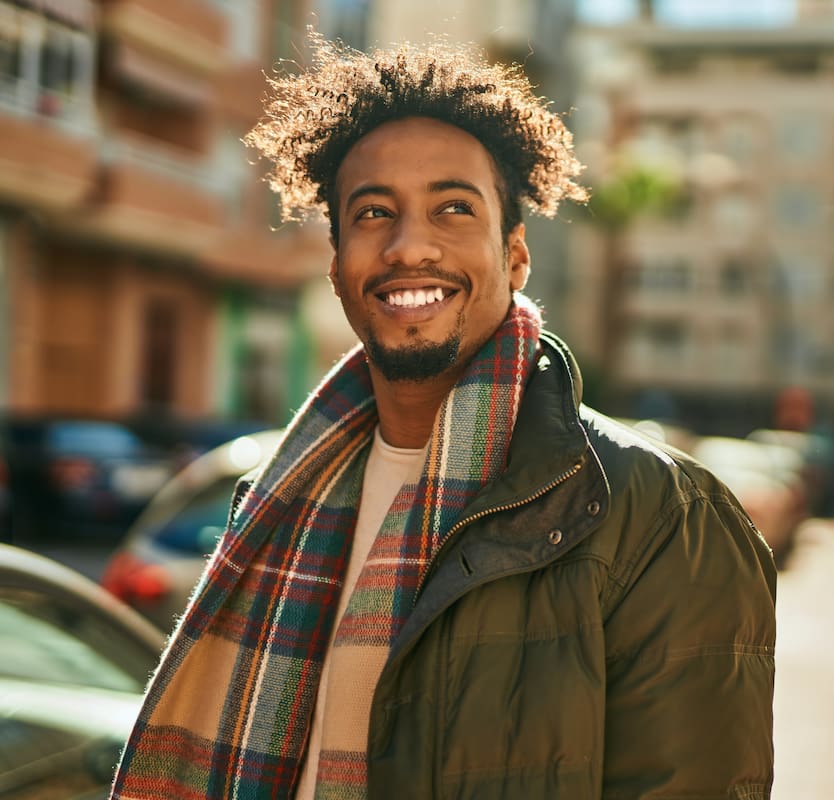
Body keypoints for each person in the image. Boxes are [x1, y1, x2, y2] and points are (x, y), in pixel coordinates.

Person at [110, 35, 776, 800]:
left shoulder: (660, 517)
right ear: (337, 268)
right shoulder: (278, 497)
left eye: (453, 208)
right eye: (373, 213)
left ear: (515, 256)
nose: (409, 245)